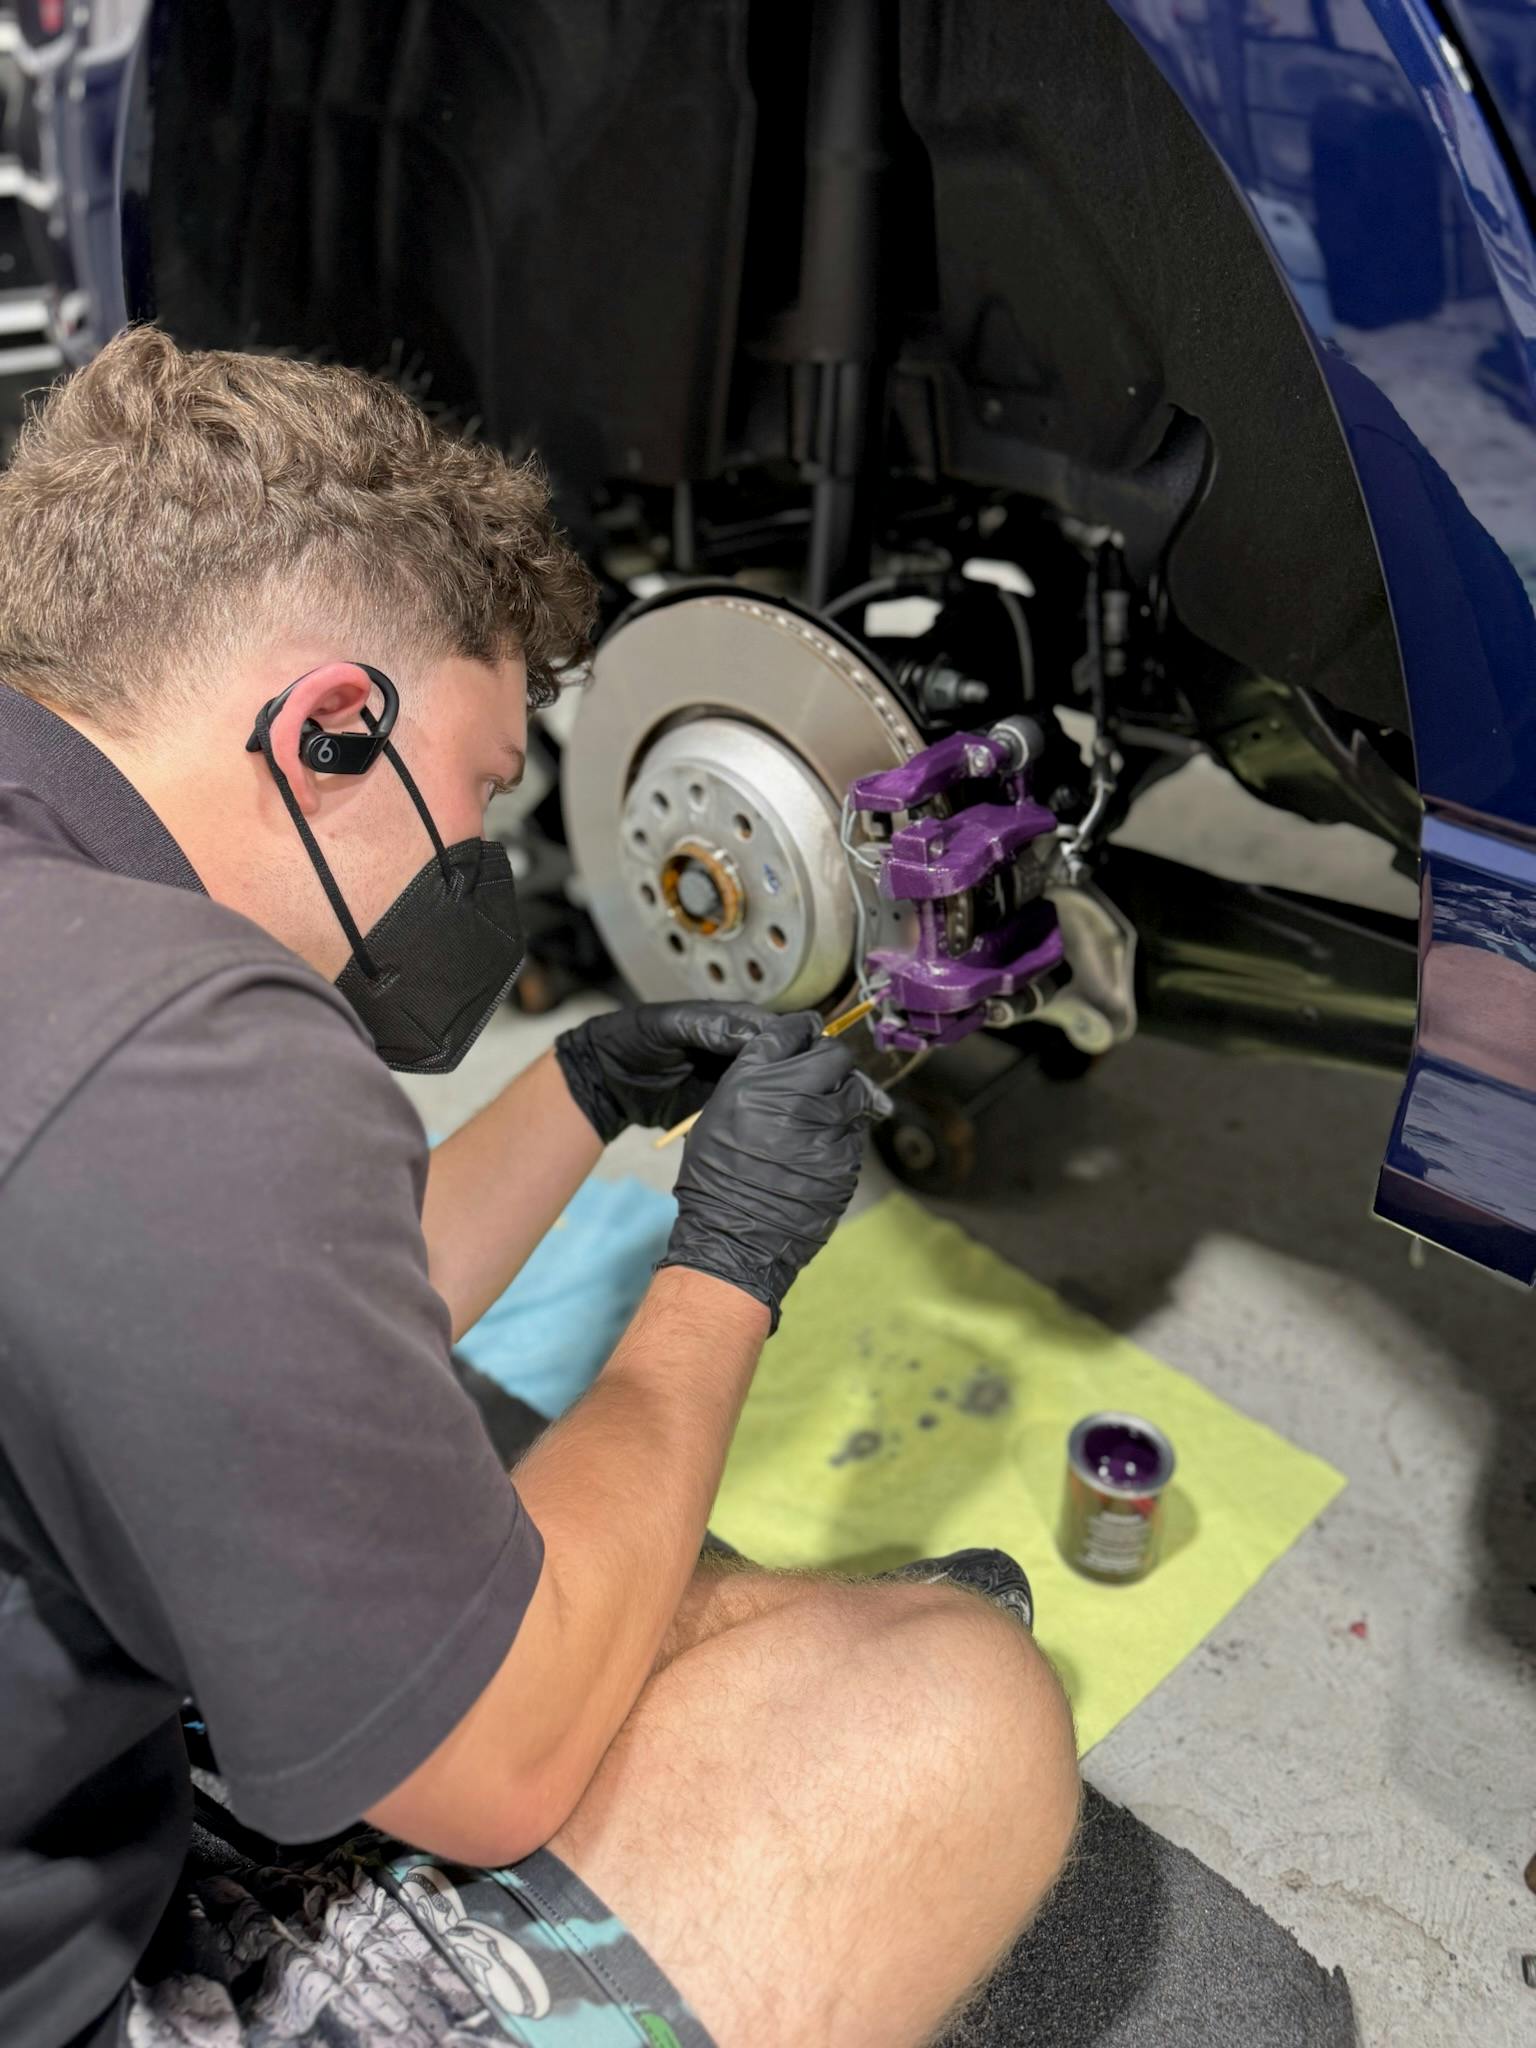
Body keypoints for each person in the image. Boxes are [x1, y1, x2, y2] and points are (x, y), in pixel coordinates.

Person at [0, 328, 1079, 2048]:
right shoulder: (179, 1038)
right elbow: (490, 1773)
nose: (480, 862)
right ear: (332, 727)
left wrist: (579, 1090)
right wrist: (727, 1269)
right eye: (483, 787)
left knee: (682, 1601)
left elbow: (229, 1318)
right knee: (959, 1710)